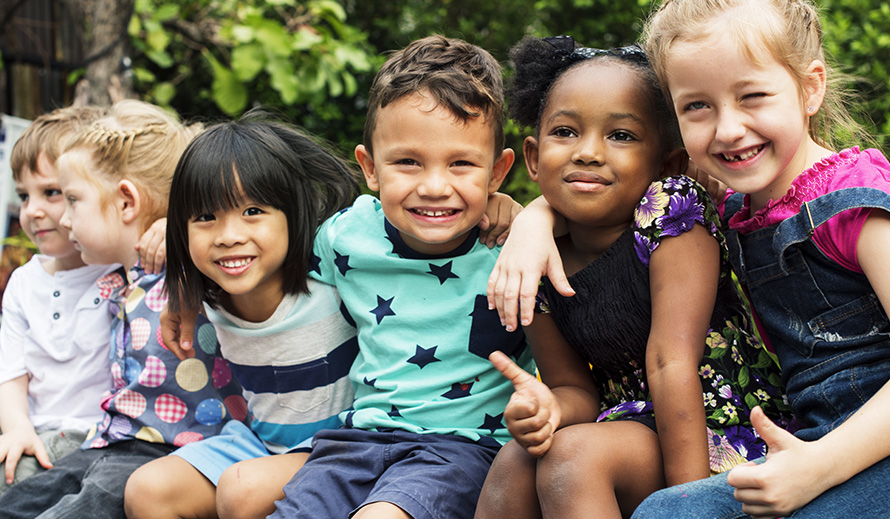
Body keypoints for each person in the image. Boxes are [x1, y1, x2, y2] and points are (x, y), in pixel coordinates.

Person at [473, 36, 790, 519]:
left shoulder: (670, 212)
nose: (588, 153)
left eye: (621, 135)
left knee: (570, 459)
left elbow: (670, 361)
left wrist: (692, 506)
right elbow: (575, 389)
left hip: (715, 432)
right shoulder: (532, 264)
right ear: (534, 157)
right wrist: (550, 411)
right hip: (628, 428)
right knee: (519, 456)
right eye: (565, 132)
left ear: (667, 163)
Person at [629, 0, 890, 517]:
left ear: (810, 88)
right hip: (810, 445)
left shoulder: (855, 201)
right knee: (665, 512)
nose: (727, 129)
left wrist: (818, 468)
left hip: (862, 450)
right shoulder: (734, 203)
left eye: (752, 96)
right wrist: (534, 219)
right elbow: (601, 189)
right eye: (696, 107)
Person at [259, 35, 531, 519]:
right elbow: (256, 257)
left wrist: (537, 216)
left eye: (462, 164)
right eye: (408, 162)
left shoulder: (517, 248)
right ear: (370, 167)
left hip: (464, 449)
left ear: (497, 172)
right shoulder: (346, 235)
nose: (433, 186)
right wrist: (174, 245)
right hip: (357, 440)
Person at [0, 100, 244, 519]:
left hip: (170, 451)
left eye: (71, 199)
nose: (65, 219)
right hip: (112, 441)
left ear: (127, 202)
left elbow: (228, 228)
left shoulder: (189, 265)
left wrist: (178, 230)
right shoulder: (118, 280)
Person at [122, 114, 362, 519]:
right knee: (147, 490)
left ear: (291, 212)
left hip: (348, 448)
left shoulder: (333, 271)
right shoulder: (210, 292)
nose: (228, 235)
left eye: (253, 210)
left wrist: (505, 220)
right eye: (205, 217)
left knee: (242, 491)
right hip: (260, 444)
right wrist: (182, 282)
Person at [0, 106, 169, 494]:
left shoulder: (124, 264)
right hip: (36, 433)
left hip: (100, 438)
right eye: (24, 196)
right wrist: (17, 430)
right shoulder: (24, 282)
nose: (33, 211)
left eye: (55, 193)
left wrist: (167, 227)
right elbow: (10, 372)